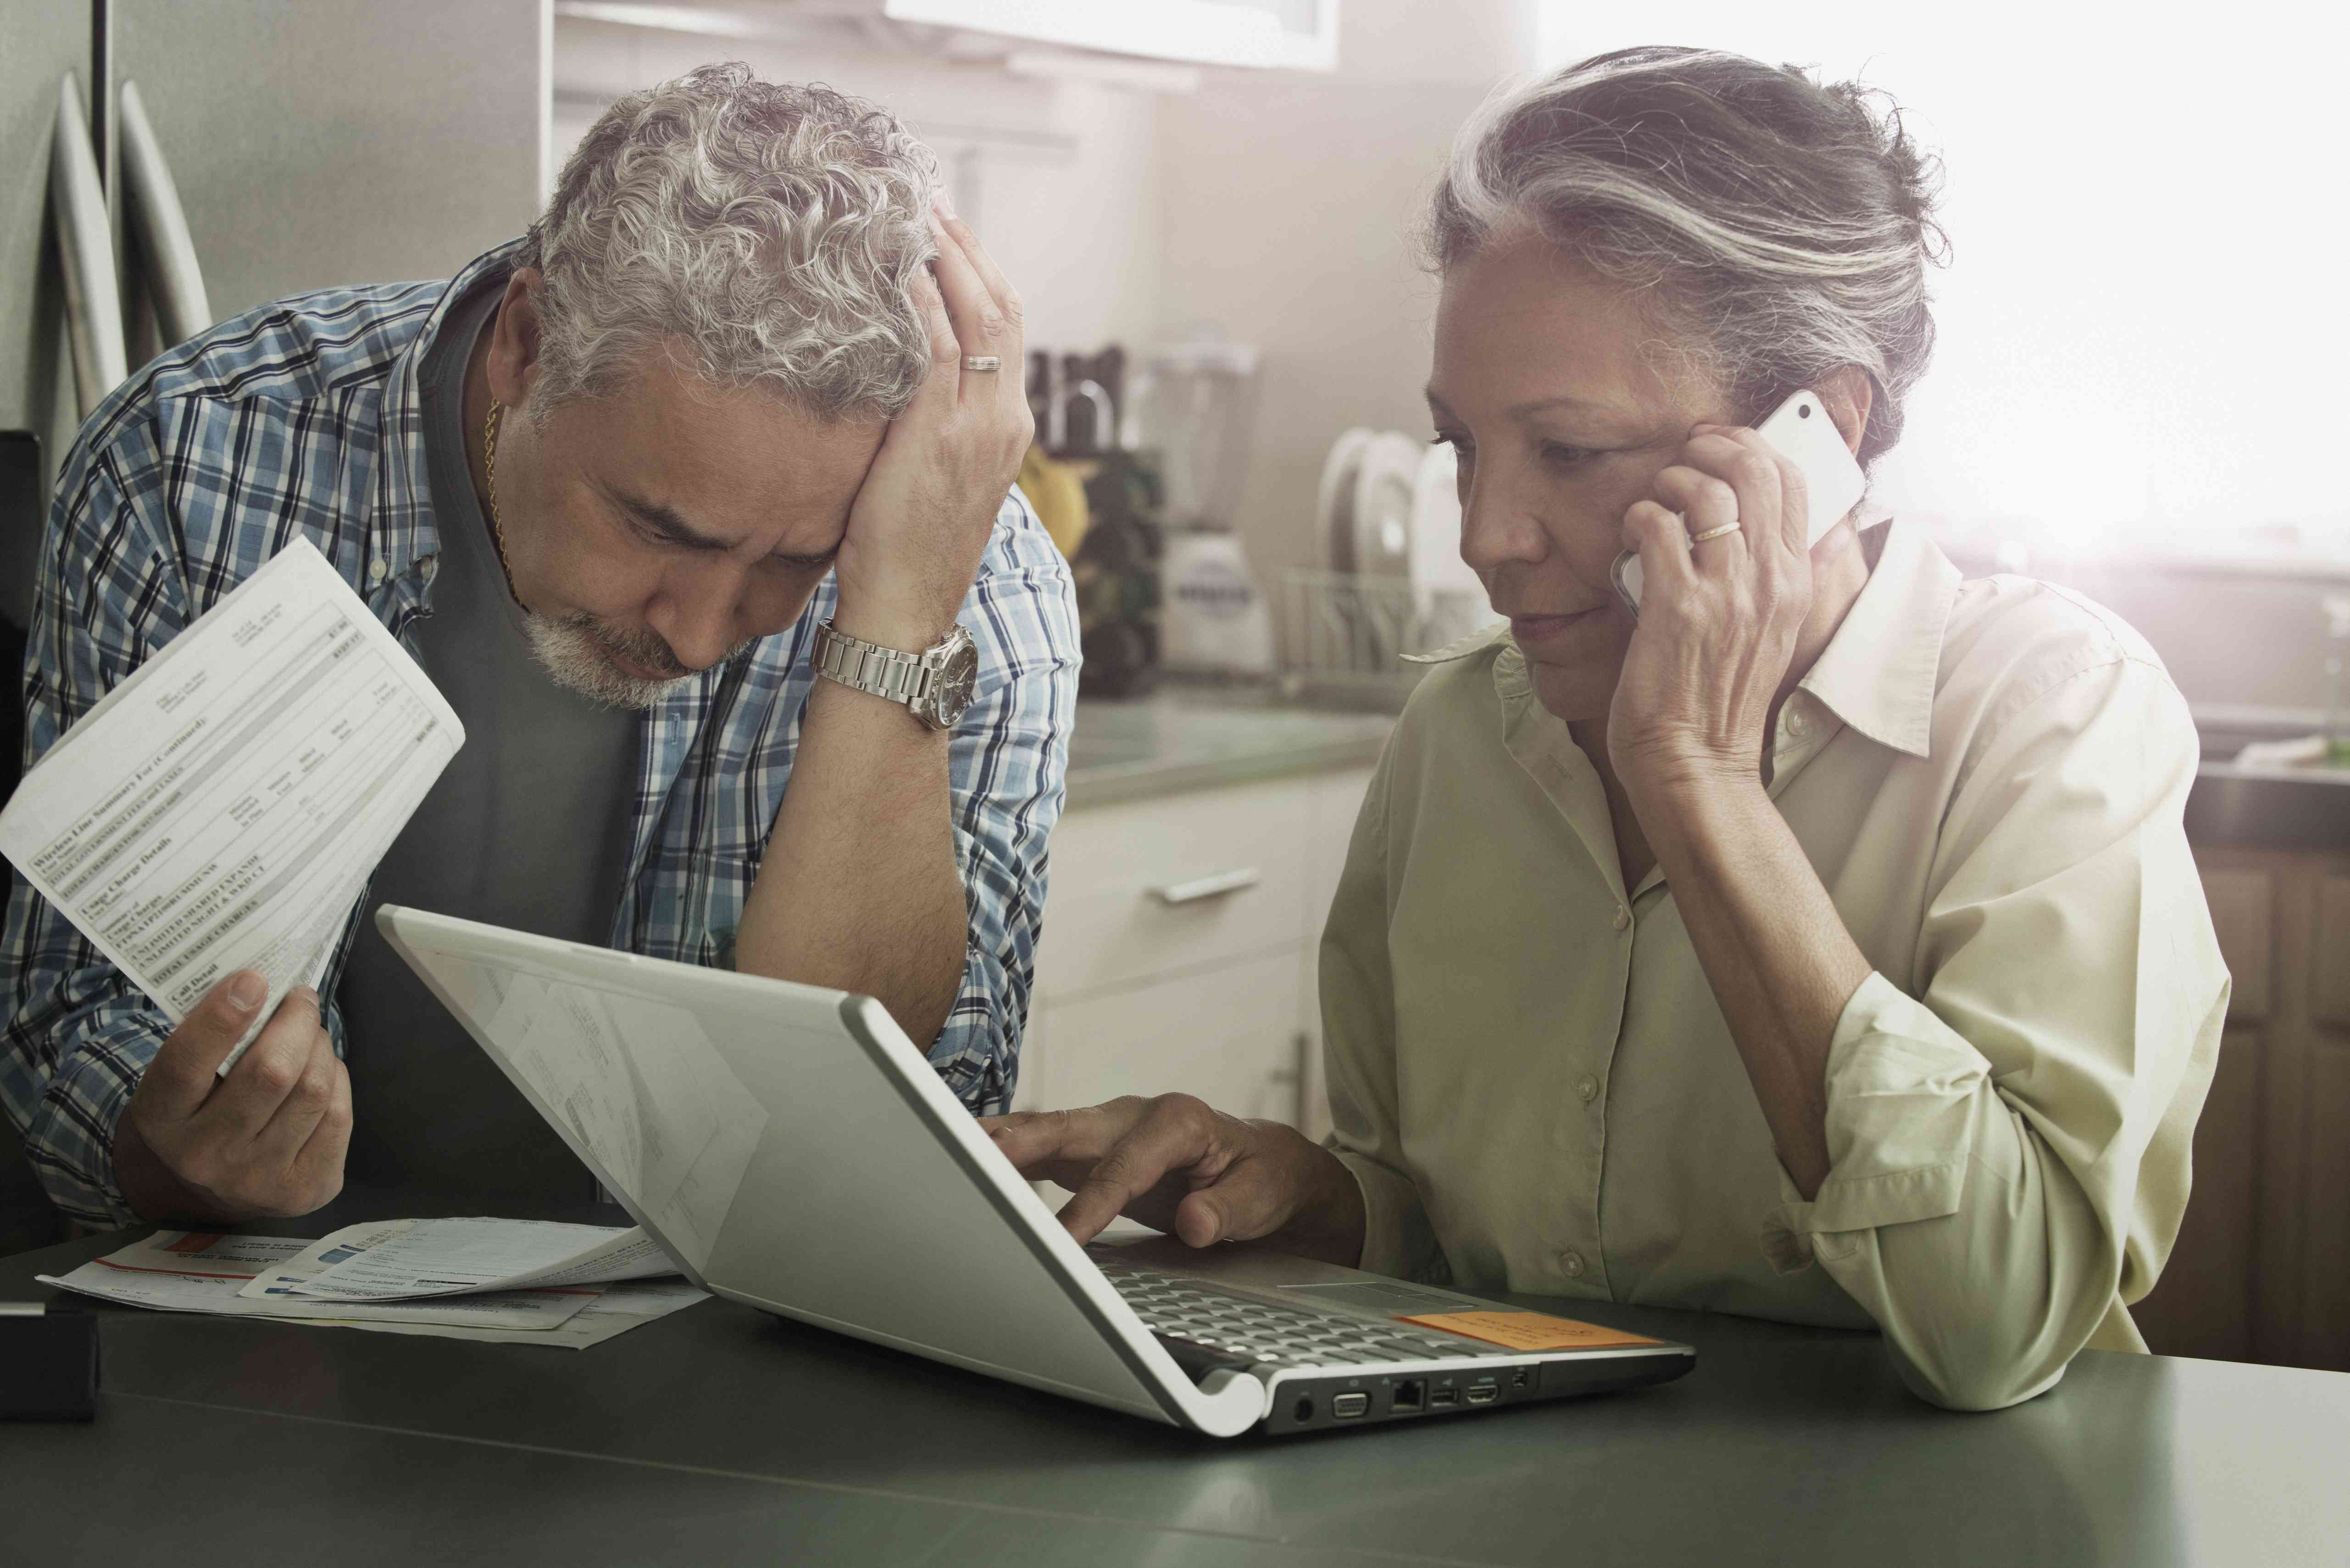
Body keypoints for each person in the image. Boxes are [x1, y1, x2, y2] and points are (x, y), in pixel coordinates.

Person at [986, 45, 2228, 1412]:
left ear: (1820, 433)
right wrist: (1301, 1191)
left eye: (1569, 454)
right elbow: (1455, 1237)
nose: (1483, 539)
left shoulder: (2051, 716)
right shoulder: (1461, 729)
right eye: (1460, 447)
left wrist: (1698, 782)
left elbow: (1998, 1322)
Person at [3, 64, 1076, 1229]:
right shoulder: (193, 453)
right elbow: (69, 1024)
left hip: (712, 1358)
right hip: (260, 1338)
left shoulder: (979, 575)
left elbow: (897, 1127)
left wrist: (899, 624)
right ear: (526, 340)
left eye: (791, 563)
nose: (700, 632)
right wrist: (175, 1156)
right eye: (657, 528)